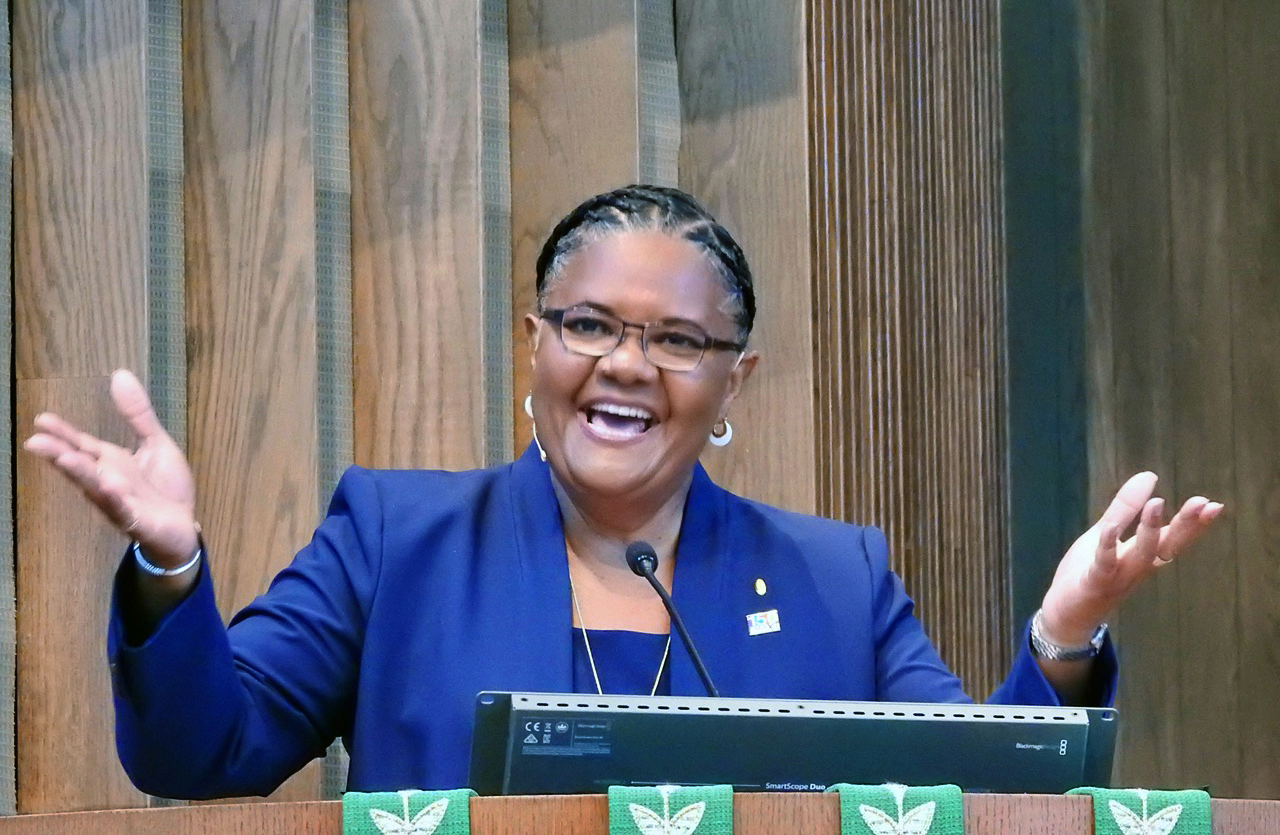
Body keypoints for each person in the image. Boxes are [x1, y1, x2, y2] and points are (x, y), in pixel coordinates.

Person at [24, 185, 1223, 799]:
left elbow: (972, 803)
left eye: (676, 341)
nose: (624, 367)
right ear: (532, 346)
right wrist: (171, 565)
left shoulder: (832, 577)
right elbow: (200, 755)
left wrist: (1062, 639)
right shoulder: (397, 540)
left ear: (731, 377)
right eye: (587, 325)